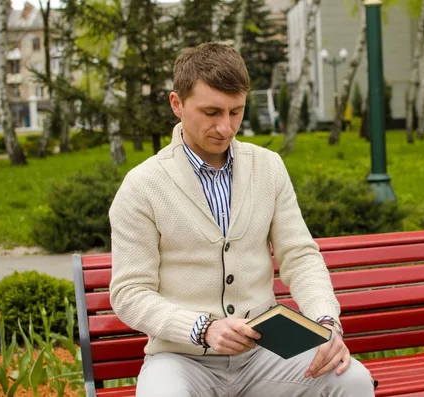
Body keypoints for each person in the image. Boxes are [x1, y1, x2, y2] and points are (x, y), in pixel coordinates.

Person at [109, 42, 375, 397]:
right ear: (177, 104)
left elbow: (300, 256)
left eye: (236, 112)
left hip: (267, 351)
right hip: (182, 359)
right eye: (212, 112)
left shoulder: (268, 166)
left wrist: (327, 324)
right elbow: (129, 293)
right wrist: (203, 328)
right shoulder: (142, 186)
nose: (226, 127)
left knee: (352, 381)